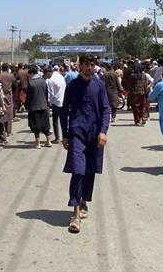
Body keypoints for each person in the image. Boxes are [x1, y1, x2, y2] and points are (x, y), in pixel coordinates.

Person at [60, 55, 110, 234]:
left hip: (95, 135)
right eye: (87, 65)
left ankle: (84, 201)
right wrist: (65, 135)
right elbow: (64, 111)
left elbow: (106, 109)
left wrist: (103, 131)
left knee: (90, 170)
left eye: (92, 64)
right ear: (79, 66)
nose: (90, 67)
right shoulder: (72, 86)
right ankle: (75, 213)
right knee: (78, 170)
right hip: (77, 134)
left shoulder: (99, 86)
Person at [26, 64, 52, 148]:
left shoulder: (30, 83)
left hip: (33, 107)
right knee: (45, 125)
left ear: (31, 73)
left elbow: (28, 96)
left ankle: (38, 143)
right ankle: (48, 141)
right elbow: (46, 93)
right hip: (43, 106)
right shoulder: (43, 81)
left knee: (35, 126)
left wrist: (27, 106)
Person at [127, 61, 151, 126]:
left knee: (135, 107)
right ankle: (143, 116)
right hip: (143, 93)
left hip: (135, 93)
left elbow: (130, 85)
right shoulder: (144, 75)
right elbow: (145, 84)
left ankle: (137, 121)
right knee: (142, 106)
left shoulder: (132, 76)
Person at [46, 65, 67, 142]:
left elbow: (51, 93)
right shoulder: (61, 77)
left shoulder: (51, 79)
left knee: (55, 121)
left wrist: (50, 102)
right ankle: (65, 136)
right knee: (63, 120)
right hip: (63, 101)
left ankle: (57, 138)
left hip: (55, 102)